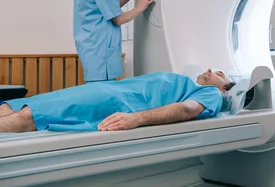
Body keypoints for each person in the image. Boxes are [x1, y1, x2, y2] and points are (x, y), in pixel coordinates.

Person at [0, 69, 234, 133]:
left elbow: (186, 110)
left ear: (224, 87)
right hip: (109, 89)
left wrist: (135, 118)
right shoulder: (187, 82)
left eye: (218, 73)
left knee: (33, 115)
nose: (210, 70)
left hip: (116, 101)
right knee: (19, 105)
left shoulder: (211, 94)